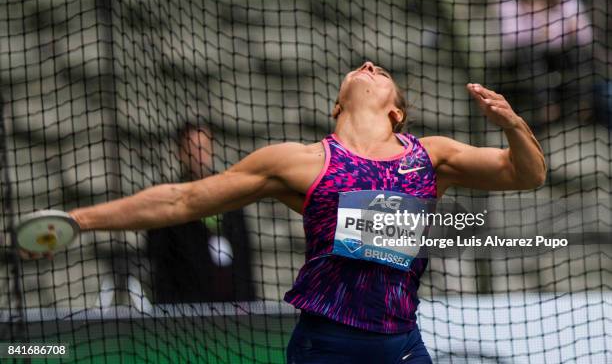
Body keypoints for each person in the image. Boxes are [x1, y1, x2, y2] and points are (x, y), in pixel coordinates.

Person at [21, 62, 546, 363]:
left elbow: (528, 174)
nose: (368, 67)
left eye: (380, 71)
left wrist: (513, 125)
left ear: (396, 110)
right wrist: (82, 220)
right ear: (336, 107)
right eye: (360, 69)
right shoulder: (298, 163)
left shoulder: (430, 155)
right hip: (326, 345)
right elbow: (183, 200)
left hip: (401, 345)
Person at [147, 125, 255, 303]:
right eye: (193, 149)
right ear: (180, 153)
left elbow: (246, 260)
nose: (200, 155)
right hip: (189, 312)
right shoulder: (170, 203)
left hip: (234, 310)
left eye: (204, 147)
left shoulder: (231, 199)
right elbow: (160, 267)